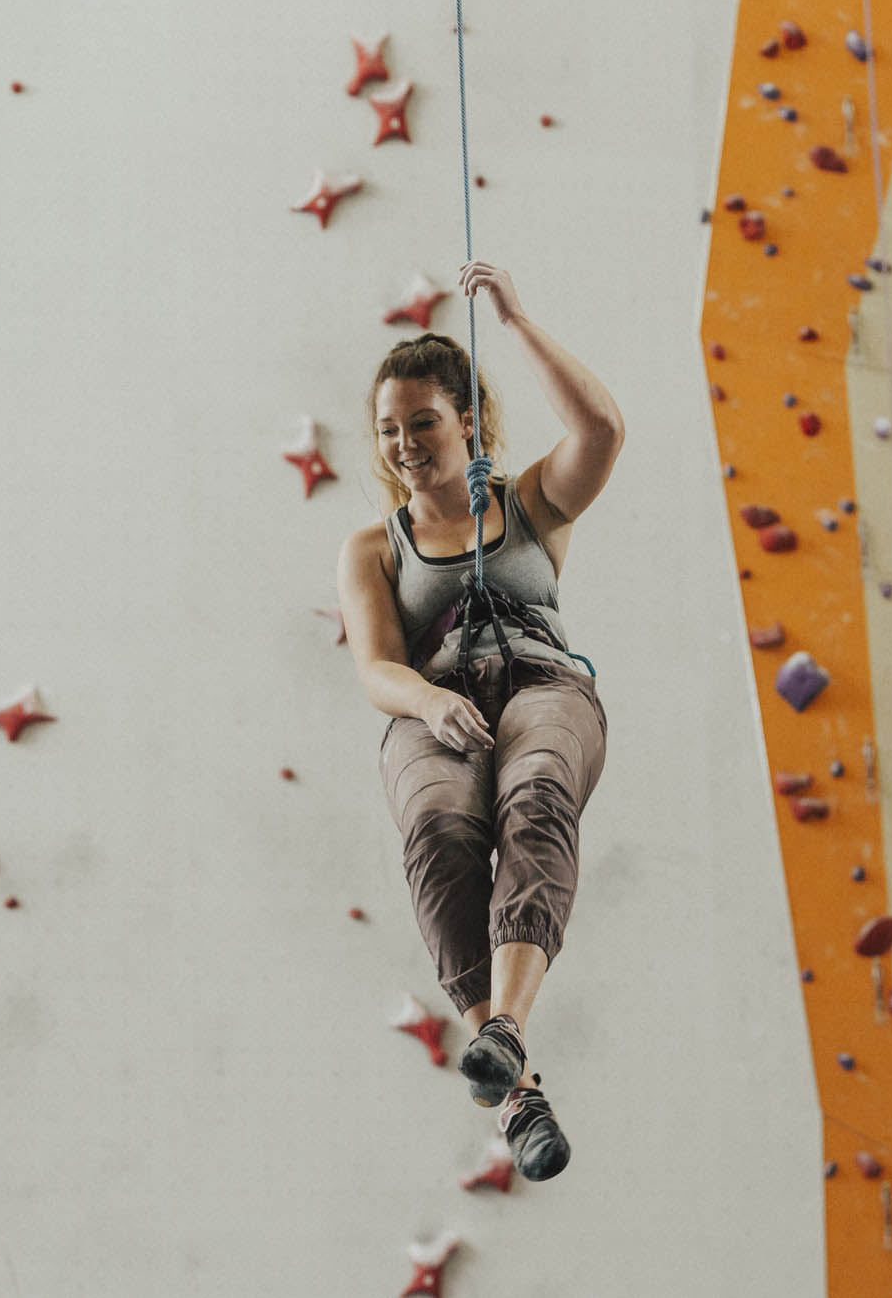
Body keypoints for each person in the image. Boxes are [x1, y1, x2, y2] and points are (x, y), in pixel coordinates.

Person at [335, 261, 624, 1182]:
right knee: (439, 831)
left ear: (466, 418)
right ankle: (518, 1090)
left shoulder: (529, 502)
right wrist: (428, 700)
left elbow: (601, 429)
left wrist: (515, 317)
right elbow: (376, 666)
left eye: (423, 421)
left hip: (542, 685)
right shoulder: (375, 546)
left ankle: (505, 1029)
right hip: (439, 705)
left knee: (535, 794)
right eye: (390, 430)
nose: (406, 444)